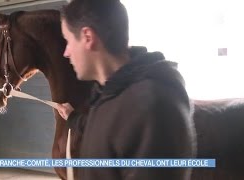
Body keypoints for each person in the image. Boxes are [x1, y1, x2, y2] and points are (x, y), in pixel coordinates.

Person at [57, 0, 197, 179]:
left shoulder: (150, 105)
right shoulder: (110, 93)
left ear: (88, 37)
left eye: (68, 41)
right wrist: (72, 117)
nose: (66, 52)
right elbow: (107, 130)